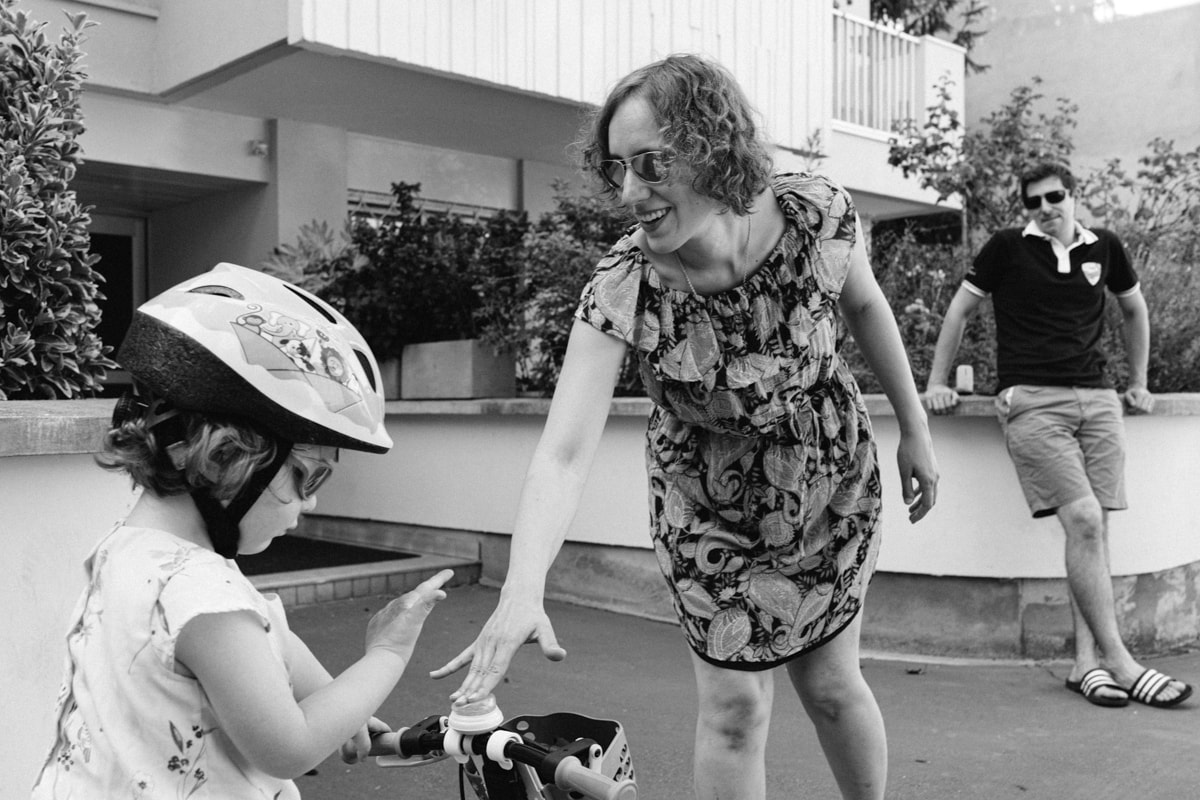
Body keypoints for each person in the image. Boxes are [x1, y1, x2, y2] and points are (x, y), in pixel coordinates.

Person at [432, 54, 938, 800]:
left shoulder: (814, 214)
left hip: (826, 482)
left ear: (711, 147)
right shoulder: (624, 287)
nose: (630, 192)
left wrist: (914, 427)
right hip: (707, 510)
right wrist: (522, 587)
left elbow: (863, 305)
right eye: (619, 169)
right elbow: (563, 454)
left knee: (831, 684)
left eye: (652, 164)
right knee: (734, 708)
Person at [32, 263, 453, 799]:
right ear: (224, 457)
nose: (312, 500)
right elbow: (290, 747)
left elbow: (271, 644)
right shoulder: (202, 597)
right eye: (307, 475)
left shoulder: (132, 552)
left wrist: (339, 705)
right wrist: (386, 655)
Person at [924, 161, 1193, 710]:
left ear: (1073, 195)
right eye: (1033, 202)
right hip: (1033, 401)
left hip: (1099, 400)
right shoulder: (1007, 247)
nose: (1044, 209)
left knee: (1093, 531)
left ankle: (1085, 665)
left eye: (1053, 197)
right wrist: (935, 382)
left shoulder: (1105, 247)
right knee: (1086, 520)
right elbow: (960, 312)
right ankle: (1122, 662)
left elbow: (1134, 311)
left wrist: (1139, 382)